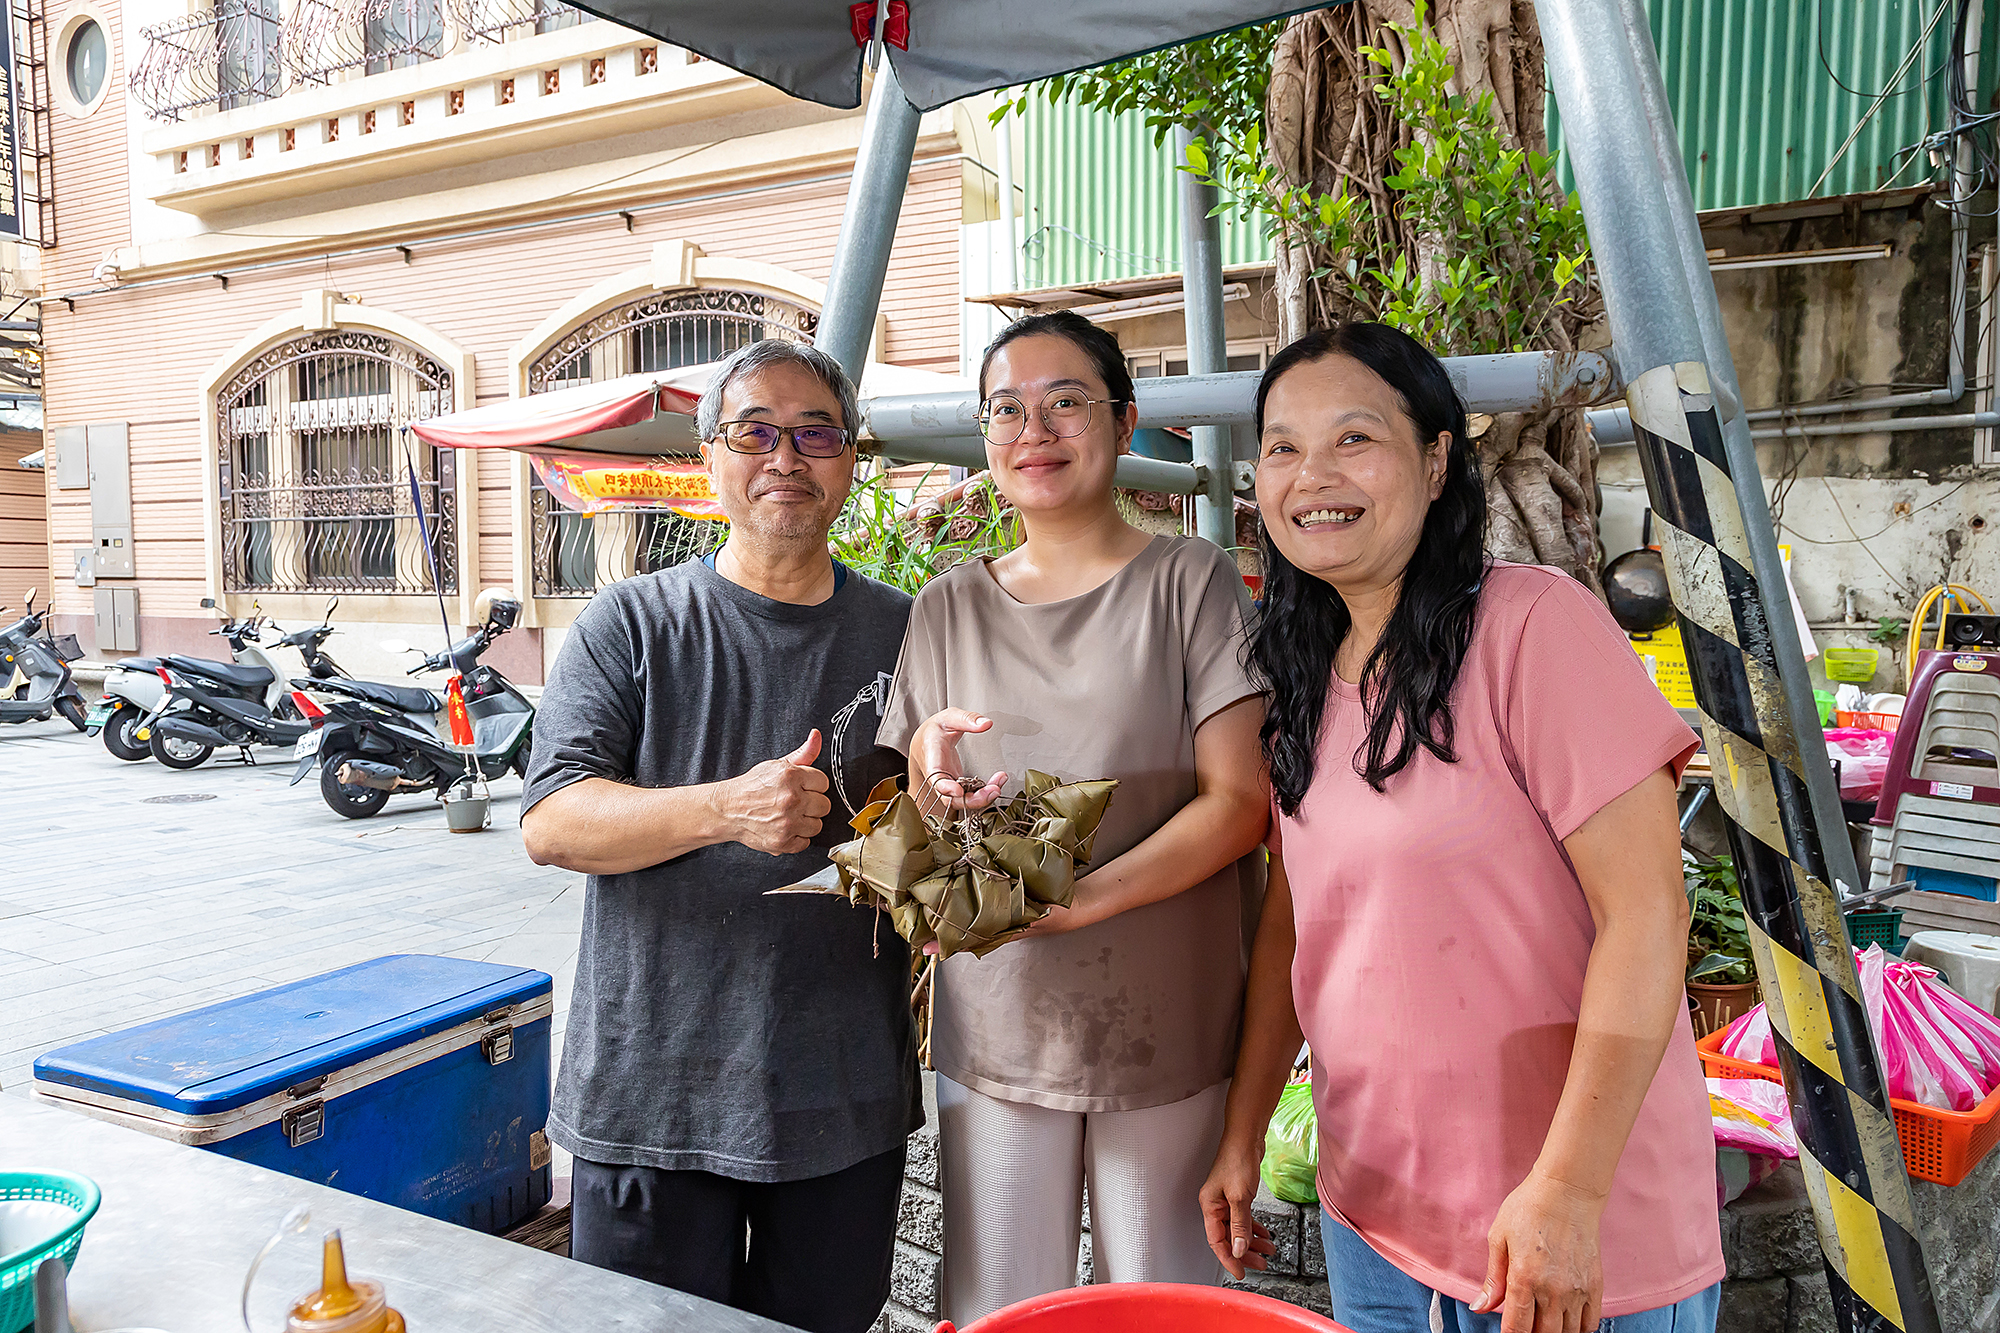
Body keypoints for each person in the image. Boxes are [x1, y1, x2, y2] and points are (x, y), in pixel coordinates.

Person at [1199, 324, 1723, 1333]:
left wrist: (1567, 1191)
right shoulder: (1299, 674)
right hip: (1373, 1216)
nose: (1312, 475)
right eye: (1281, 446)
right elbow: (1298, 924)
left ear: (1436, 461)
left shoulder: (1534, 627)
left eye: (1354, 438)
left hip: (1562, 1227)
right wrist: (1243, 1124)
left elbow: (1648, 914)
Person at [876, 310, 1271, 1326]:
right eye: (1006, 409)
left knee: (1166, 1302)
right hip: (998, 1024)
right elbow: (924, 816)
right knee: (999, 1304)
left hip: (1166, 1024)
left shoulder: (1190, 581)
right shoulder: (945, 606)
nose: (1033, 431)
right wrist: (927, 771)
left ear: (1124, 420)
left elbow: (1238, 805)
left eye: (1065, 402)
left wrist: (1078, 904)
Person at [520, 338, 922, 1333]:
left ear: (850, 458)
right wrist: (725, 808)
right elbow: (551, 821)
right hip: (650, 1093)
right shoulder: (630, 622)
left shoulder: (910, 631)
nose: (785, 456)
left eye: (815, 433)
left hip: (841, 1095)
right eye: (754, 432)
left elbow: (940, 836)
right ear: (709, 456)